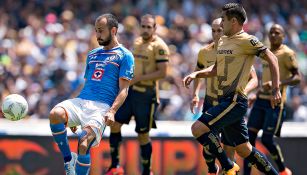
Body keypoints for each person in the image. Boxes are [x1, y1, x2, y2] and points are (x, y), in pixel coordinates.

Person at [183, 3, 281, 175]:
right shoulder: (224, 41)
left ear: (234, 21)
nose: (221, 25)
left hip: (235, 100)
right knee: (244, 149)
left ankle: (228, 166)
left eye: (224, 21)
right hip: (225, 101)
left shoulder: (247, 40)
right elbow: (215, 70)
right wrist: (196, 74)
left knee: (197, 128)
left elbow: (271, 57)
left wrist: (276, 88)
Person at [49, 14, 134, 175]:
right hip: (82, 101)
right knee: (55, 114)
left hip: (101, 107)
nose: (97, 35)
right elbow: (88, 84)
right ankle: (68, 161)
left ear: (113, 30)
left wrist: (112, 111)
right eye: (96, 31)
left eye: (101, 31)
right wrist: (73, 113)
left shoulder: (125, 55)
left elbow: (124, 89)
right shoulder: (92, 54)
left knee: (83, 143)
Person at [191, 18, 258, 175]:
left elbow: (254, 78)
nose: (216, 34)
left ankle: (226, 168)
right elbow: (198, 74)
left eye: (219, 30)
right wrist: (194, 94)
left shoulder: (236, 49)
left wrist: (243, 91)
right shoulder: (204, 52)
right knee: (208, 148)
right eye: (213, 31)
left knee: (231, 148)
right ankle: (213, 170)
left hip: (229, 103)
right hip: (210, 102)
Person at [106, 14, 169, 175]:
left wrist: (138, 78)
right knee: (114, 124)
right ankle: (115, 166)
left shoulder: (160, 46)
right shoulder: (137, 42)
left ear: (155, 28)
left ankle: (147, 171)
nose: (146, 29)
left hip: (146, 95)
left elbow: (162, 73)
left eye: (149, 27)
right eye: (143, 26)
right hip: (130, 91)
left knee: (142, 134)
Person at [244, 24, 300, 175]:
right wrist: (256, 93)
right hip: (260, 100)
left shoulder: (287, 53)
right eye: (271, 33)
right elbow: (264, 78)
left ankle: (282, 170)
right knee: (248, 140)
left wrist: (278, 84)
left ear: (283, 36)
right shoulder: (265, 52)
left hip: (275, 102)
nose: (274, 35)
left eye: (277, 33)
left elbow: (297, 78)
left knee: (267, 140)